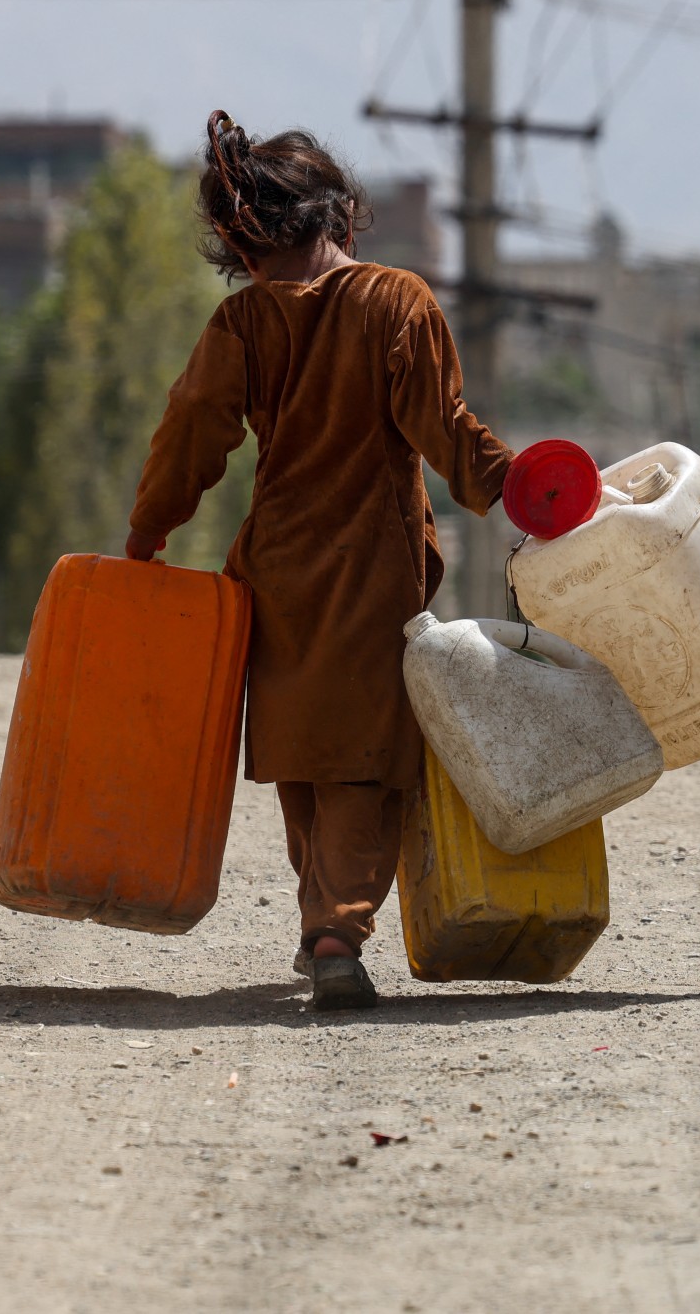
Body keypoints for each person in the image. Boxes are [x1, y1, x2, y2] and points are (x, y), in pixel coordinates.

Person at [124, 112, 512, 1009]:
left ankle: (324, 922)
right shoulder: (396, 303)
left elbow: (191, 434)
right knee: (365, 761)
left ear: (240, 242)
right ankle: (336, 928)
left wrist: (149, 531)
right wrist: (517, 488)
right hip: (375, 569)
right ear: (337, 215)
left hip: (276, 569)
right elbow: (445, 432)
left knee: (303, 752)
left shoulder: (242, 325)